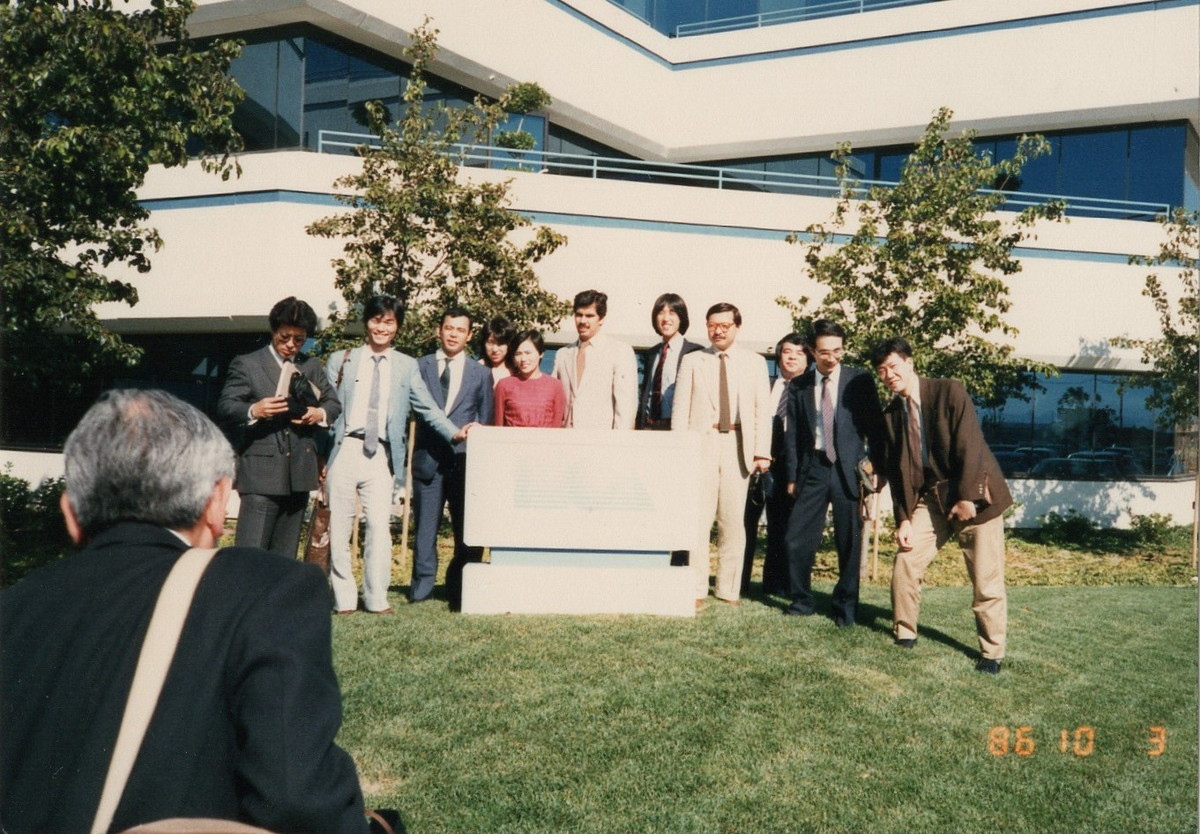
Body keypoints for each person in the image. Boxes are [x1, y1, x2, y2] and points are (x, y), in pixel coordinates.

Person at [0, 389, 371, 832]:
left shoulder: (14, 606)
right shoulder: (266, 590)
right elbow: (298, 802)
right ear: (218, 502)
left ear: (71, 514)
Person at [870, 337, 1012, 673]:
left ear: (909, 363)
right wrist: (903, 519)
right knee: (906, 560)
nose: (889, 374)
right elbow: (900, 472)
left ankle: (992, 653)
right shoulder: (892, 414)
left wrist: (967, 498)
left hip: (975, 496)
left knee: (985, 580)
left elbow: (971, 446)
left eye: (893, 366)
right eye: (881, 370)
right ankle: (905, 633)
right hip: (931, 499)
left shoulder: (949, 391)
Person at [325, 295, 467, 614]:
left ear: (397, 327)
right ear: (367, 323)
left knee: (379, 525)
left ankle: (376, 598)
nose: (381, 327)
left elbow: (427, 406)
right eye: (376, 320)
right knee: (340, 527)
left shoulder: (406, 365)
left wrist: (454, 431)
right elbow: (329, 409)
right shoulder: (341, 359)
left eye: (389, 322)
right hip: (345, 447)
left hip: (382, 454)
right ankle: (344, 599)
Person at [217, 296, 341, 559]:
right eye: (285, 337)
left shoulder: (311, 365)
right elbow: (227, 406)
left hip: (299, 470)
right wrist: (254, 409)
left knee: (285, 557)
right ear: (274, 331)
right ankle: (247, 601)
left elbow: (333, 404)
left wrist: (318, 412)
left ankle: (277, 600)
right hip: (260, 471)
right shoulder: (247, 363)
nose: (291, 345)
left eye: (299, 339)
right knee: (252, 552)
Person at [782, 320, 884, 627]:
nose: (832, 358)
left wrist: (876, 468)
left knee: (849, 542)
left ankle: (845, 609)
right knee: (796, 539)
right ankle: (802, 600)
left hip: (847, 470)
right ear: (812, 351)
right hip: (812, 469)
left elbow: (876, 429)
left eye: (837, 350)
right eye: (824, 352)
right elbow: (793, 435)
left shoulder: (860, 380)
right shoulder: (799, 385)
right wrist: (791, 476)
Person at [672, 302, 772, 606]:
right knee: (699, 521)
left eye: (724, 325)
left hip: (738, 445)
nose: (718, 330)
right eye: (712, 325)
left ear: (737, 327)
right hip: (702, 444)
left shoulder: (754, 362)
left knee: (733, 522)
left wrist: (761, 452)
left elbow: (761, 411)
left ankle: (728, 589)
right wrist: (681, 450)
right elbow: (680, 410)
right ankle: (696, 588)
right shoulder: (692, 361)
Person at [412, 307, 494, 608]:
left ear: (469, 335)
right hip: (428, 460)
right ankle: (420, 592)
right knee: (424, 531)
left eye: (460, 330)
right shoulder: (419, 367)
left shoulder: (481, 374)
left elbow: (485, 421)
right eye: (449, 328)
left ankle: (459, 591)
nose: (453, 334)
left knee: (465, 531)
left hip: (464, 464)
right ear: (439, 330)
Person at [742, 332, 809, 597]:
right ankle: (739, 583)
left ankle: (777, 586)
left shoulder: (809, 391)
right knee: (746, 525)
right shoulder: (765, 384)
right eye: (787, 351)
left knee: (783, 528)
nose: (792, 357)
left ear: (808, 360)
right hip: (756, 463)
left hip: (789, 468)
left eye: (799, 353)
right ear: (779, 355)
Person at [553, 289, 638, 429]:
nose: (582, 321)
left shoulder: (619, 351)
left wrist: (619, 444)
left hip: (600, 442)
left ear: (602, 318)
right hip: (566, 440)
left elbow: (626, 407)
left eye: (589, 315)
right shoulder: (562, 354)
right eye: (579, 315)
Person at [636, 293, 704, 430]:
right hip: (649, 427)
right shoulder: (651, 353)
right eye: (661, 313)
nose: (666, 318)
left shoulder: (695, 353)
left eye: (672, 313)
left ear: (681, 317)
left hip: (677, 427)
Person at [493, 329, 566, 428]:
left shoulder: (555, 386)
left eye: (528, 353)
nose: (523, 359)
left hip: (545, 442)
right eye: (518, 354)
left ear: (541, 353)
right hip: (511, 442)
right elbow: (498, 427)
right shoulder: (504, 385)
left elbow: (556, 427)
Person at [479, 315, 515, 386]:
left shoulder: (517, 371)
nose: (495, 349)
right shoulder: (477, 369)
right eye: (490, 342)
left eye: (500, 343)